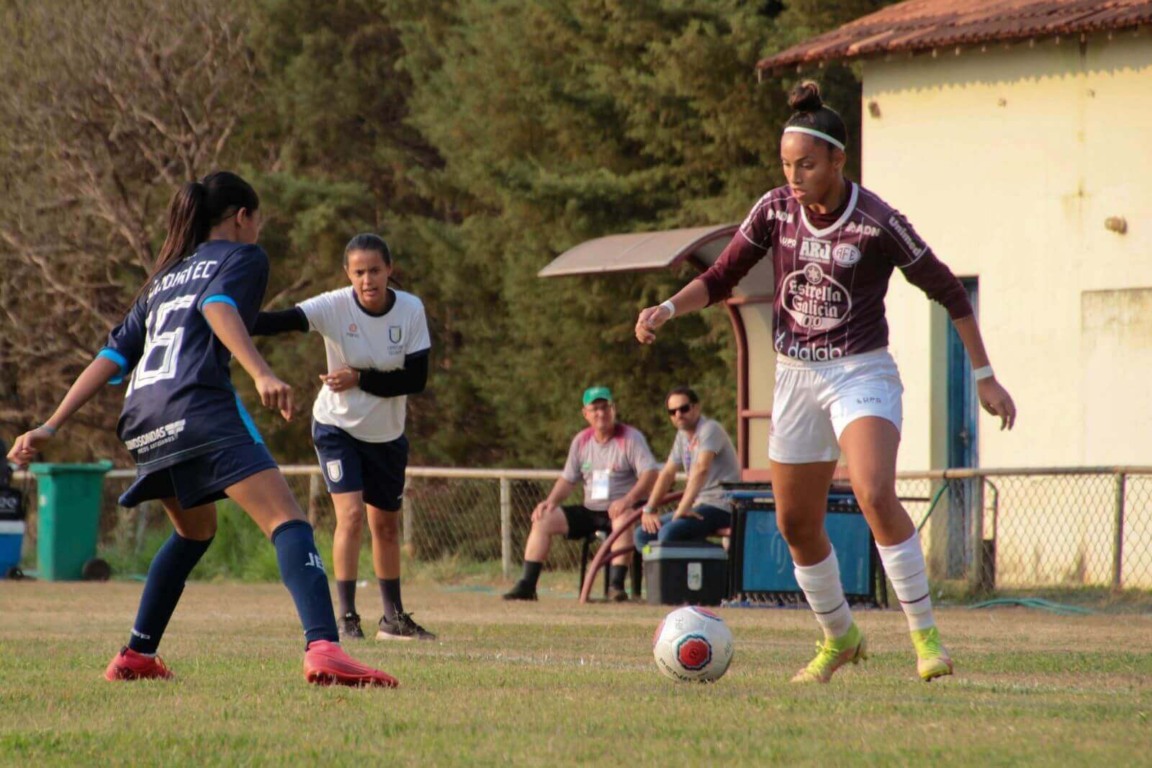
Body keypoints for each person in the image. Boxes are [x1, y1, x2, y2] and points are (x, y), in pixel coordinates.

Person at [635, 81, 1017, 684]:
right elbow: (721, 274)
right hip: (794, 378)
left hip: (860, 372)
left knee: (872, 492)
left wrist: (985, 377)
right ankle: (840, 638)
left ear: (839, 160)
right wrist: (666, 308)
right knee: (795, 524)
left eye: (807, 164)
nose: (794, 175)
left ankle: (927, 641)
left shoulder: (878, 221)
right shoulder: (774, 210)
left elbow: (947, 290)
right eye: (787, 164)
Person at [6, 171, 397, 687]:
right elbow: (218, 306)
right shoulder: (243, 257)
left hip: (143, 417)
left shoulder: (164, 276)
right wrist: (261, 372)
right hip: (197, 405)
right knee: (289, 521)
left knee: (194, 532)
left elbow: (110, 355)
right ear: (241, 218)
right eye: (257, 220)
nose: (258, 231)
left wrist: (51, 424)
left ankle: (136, 655)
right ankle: (325, 646)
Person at [253, 233, 434, 642]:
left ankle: (393, 619)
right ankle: (347, 617)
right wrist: (223, 307)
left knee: (385, 526)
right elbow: (277, 321)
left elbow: (415, 379)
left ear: (390, 269)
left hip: (387, 434)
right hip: (337, 428)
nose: (367, 279)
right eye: (358, 272)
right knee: (350, 516)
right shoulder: (334, 305)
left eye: (374, 270)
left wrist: (359, 378)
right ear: (347, 274)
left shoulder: (410, 310)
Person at [503, 387, 660, 602]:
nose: (601, 413)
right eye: (594, 409)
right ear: (585, 413)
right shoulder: (581, 441)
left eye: (605, 407)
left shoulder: (630, 438)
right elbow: (568, 479)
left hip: (624, 508)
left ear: (613, 409)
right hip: (591, 509)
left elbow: (650, 473)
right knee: (543, 518)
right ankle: (527, 585)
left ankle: (616, 586)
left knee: (622, 519)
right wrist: (550, 502)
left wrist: (628, 500)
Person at [634, 387, 739, 551]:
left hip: (721, 505)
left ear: (696, 407)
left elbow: (701, 469)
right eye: (672, 411)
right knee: (643, 534)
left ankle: (719, 561)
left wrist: (682, 508)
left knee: (669, 534)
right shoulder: (682, 436)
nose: (678, 415)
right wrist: (649, 509)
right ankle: (659, 572)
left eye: (684, 408)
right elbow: (668, 473)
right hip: (699, 505)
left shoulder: (710, 429)